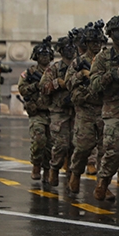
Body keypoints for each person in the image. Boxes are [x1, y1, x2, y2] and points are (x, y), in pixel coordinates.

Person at [91, 10, 119, 202]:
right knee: (115, 150)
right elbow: (93, 86)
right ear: (110, 34)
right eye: (117, 31)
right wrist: (110, 76)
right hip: (112, 111)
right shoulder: (102, 58)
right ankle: (103, 182)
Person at [66, 22, 106, 195]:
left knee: (105, 149)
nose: (96, 45)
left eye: (99, 42)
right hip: (85, 109)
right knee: (83, 147)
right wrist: (80, 75)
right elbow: (67, 83)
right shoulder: (78, 62)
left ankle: (101, 184)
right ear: (87, 43)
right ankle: (75, 173)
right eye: (93, 42)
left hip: (105, 108)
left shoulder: (106, 59)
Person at [40, 35, 77, 188]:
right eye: (66, 47)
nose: (70, 50)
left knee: (76, 146)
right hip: (59, 111)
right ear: (61, 51)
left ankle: (72, 175)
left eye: (72, 47)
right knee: (61, 145)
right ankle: (54, 168)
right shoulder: (54, 68)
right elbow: (43, 87)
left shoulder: (80, 66)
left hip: (77, 110)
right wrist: (56, 84)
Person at [17, 38, 54, 179]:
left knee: (51, 145)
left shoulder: (55, 71)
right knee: (39, 140)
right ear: (36, 57)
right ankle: (36, 164)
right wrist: (35, 86)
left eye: (46, 55)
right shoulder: (30, 73)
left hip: (52, 111)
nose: (44, 58)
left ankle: (47, 169)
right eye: (41, 55)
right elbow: (22, 89)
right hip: (37, 112)